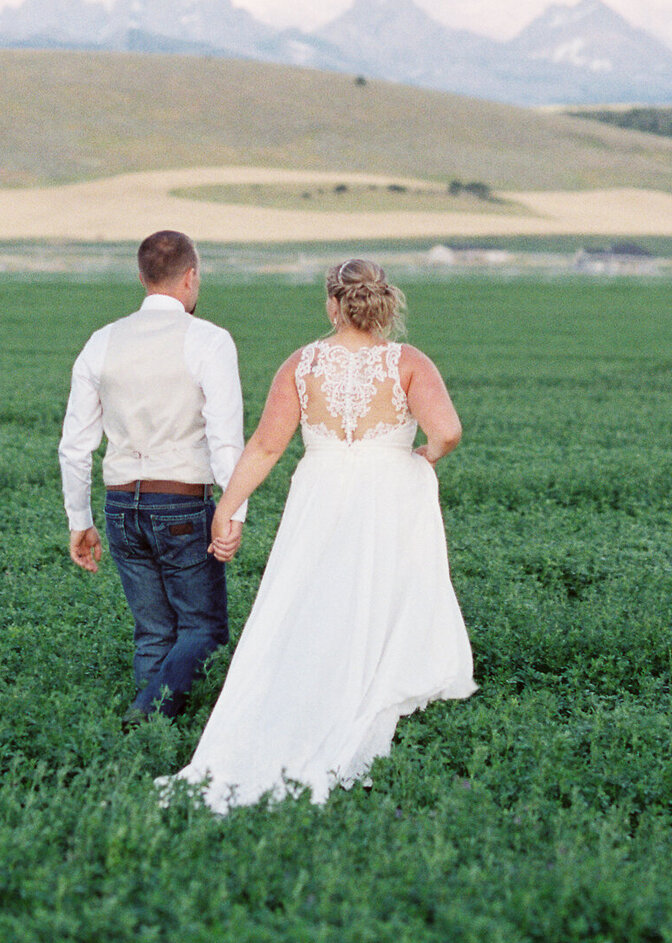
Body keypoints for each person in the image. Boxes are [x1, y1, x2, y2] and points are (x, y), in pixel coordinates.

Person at [169, 257, 475, 811]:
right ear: (382, 303)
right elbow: (448, 429)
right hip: (390, 490)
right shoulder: (408, 361)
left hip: (322, 490)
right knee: (386, 592)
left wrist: (228, 508)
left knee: (311, 597)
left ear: (332, 305)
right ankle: (373, 688)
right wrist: (427, 455)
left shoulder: (301, 364)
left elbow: (265, 446)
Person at [58, 229, 246, 720]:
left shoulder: (102, 341)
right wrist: (234, 509)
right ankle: (146, 715)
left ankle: (149, 747)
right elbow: (226, 440)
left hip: (120, 506)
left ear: (142, 278)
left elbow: (75, 445)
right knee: (204, 630)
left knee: (154, 633)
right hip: (182, 502)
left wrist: (80, 520)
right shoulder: (209, 340)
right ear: (191, 276)